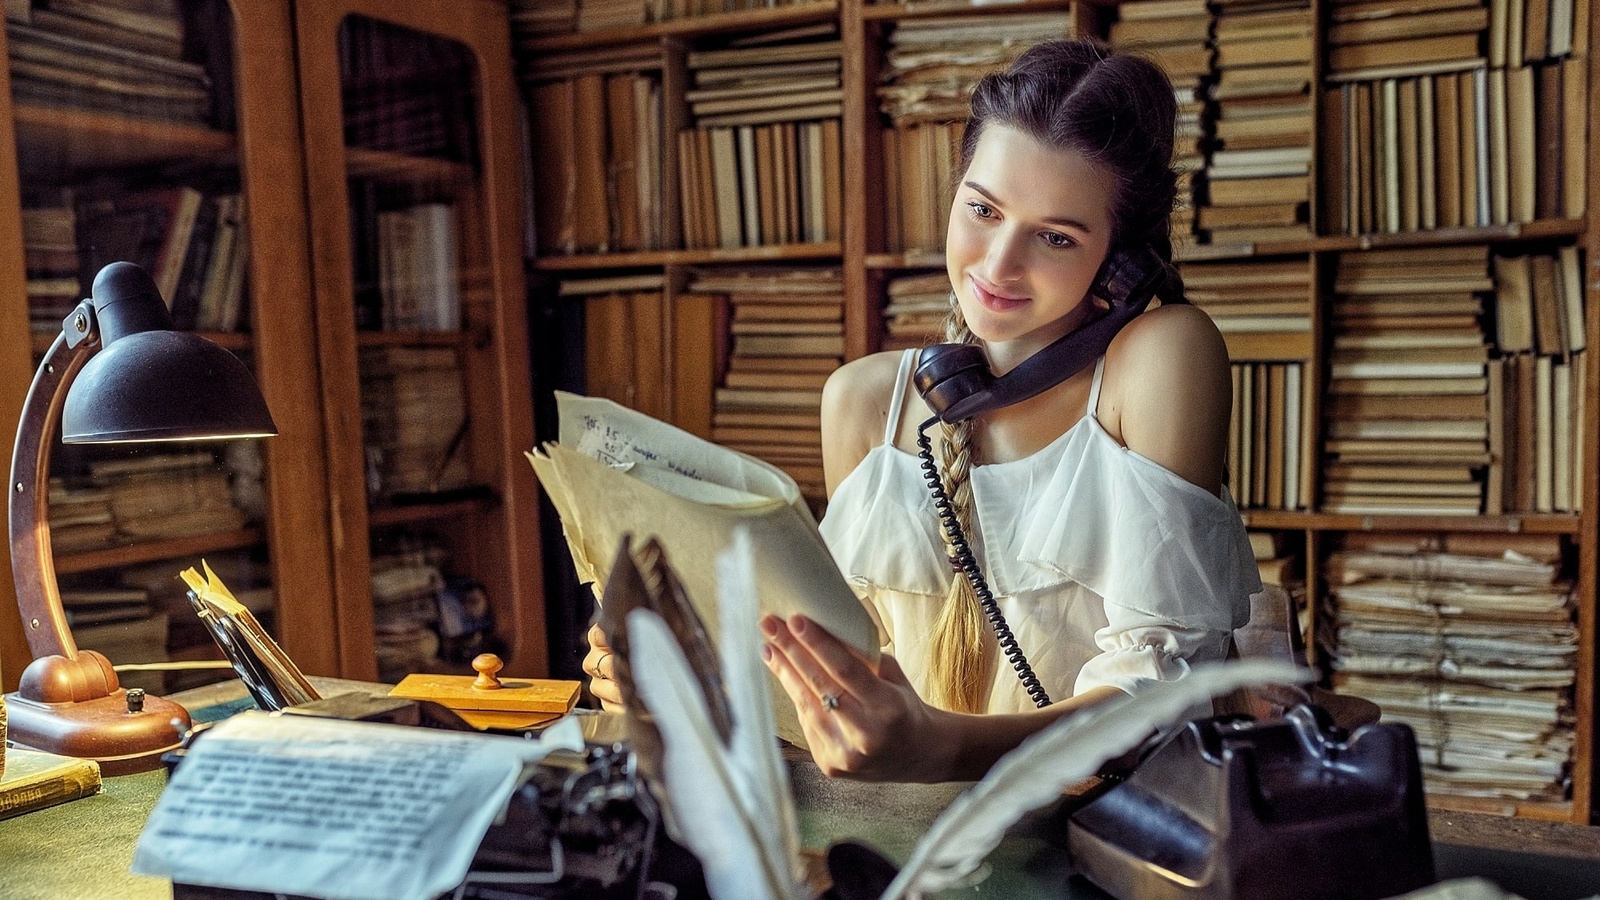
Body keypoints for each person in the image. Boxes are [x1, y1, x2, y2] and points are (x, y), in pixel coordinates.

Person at [585, 38, 1261, 782]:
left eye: (1056, 237)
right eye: (983, 209)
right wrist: (693, 677)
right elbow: (857, 679)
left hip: (1096, 832)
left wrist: (944, 747)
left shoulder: (1163, 357)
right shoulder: (863, 402)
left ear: (1120, 260)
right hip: (899, 827)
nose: (998, 265)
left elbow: (1166, 693)